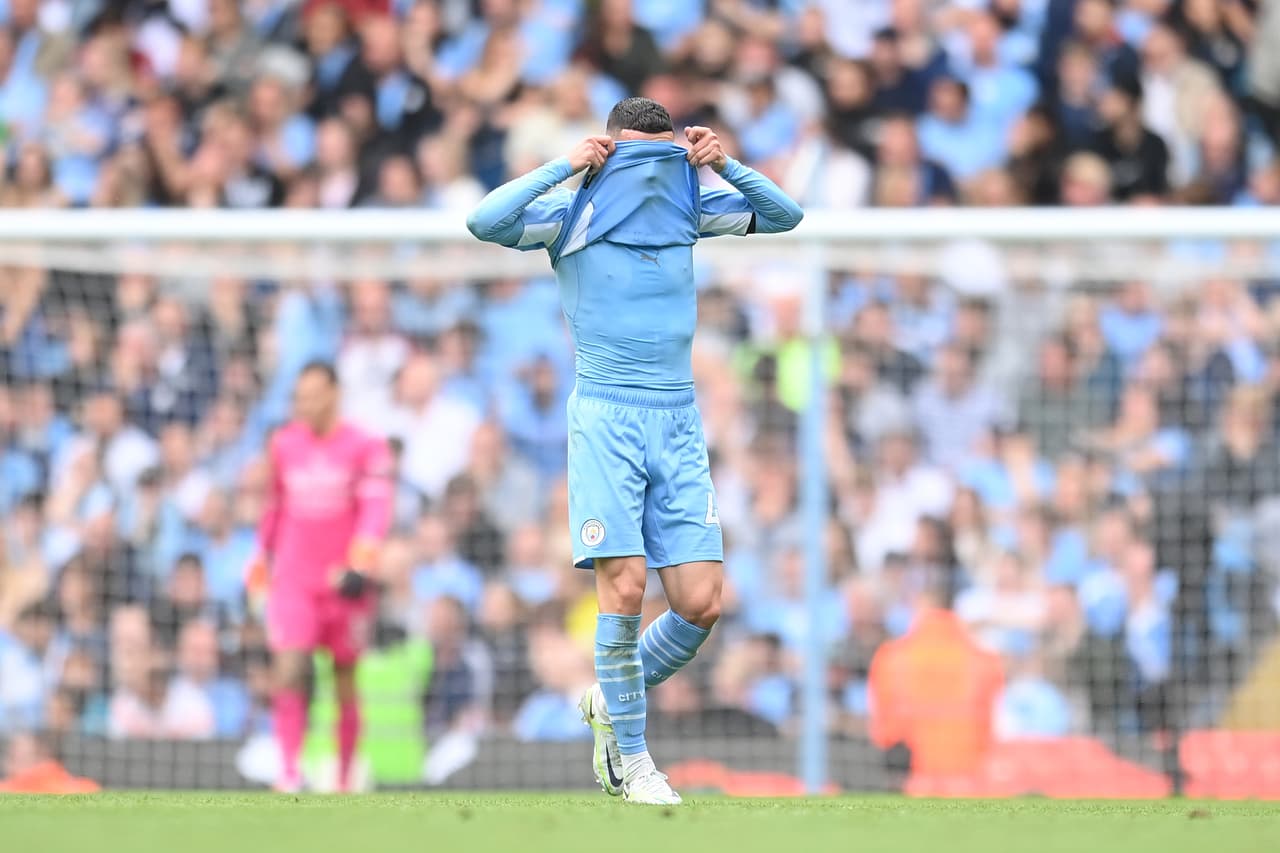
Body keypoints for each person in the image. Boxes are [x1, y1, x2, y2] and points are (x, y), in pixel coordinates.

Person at [467, 97, 803, 804]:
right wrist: (566, 165)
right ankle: (634, 757)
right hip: (607, 415)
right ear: (610, 150)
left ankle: (608, 697)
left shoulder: (687, 207)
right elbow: (484, 220)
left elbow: (786, 216)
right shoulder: (574, 212)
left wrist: (725, 163)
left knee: (702, 601)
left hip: (679, 417)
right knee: (623, 587)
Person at [250, 361, 392, 792]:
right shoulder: (283, 444)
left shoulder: (366, 446)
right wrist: (260, 560)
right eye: (298, 397)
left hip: (341, 582)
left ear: (333, 394)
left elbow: (375, 508)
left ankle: (345, 779)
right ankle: (289, 771)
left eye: (311, 396)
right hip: (294, 579)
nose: (303, 405)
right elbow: (273, 507)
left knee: (344, 678)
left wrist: (362, 563)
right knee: (289, 666)